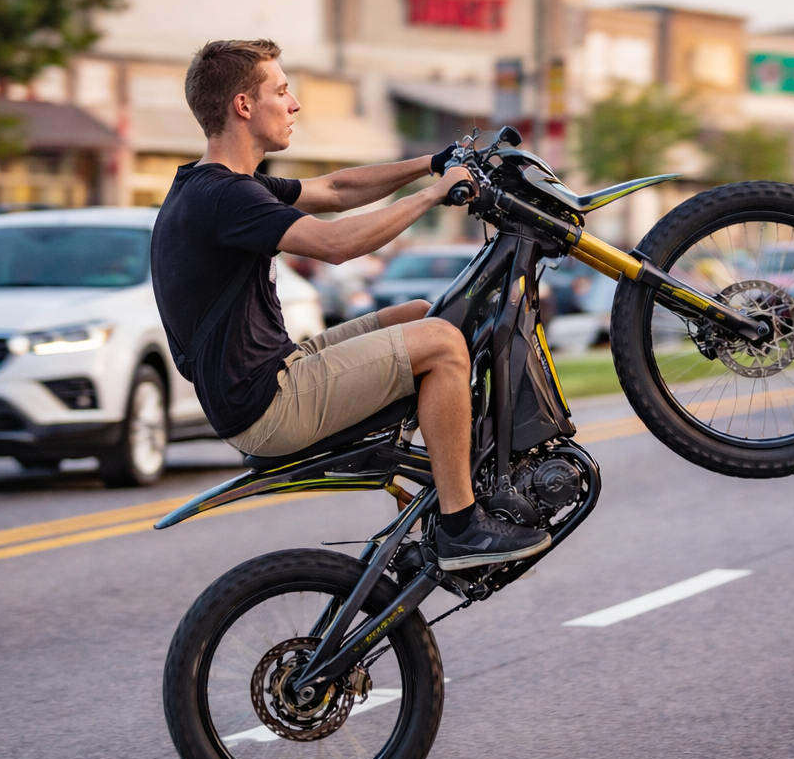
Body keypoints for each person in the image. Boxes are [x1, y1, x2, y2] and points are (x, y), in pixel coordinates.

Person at [150, 38, 549, 571]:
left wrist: (433, 164)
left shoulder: (216, 186)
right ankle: (461, 525)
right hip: (268, 403)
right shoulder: (227, 198)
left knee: (419, 313)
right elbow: (336, 244)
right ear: (243, 106)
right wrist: (435, 194)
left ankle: (451, 465)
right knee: (442, 344)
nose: (293, 105)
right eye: (282, 91)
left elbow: (336, 189)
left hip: (271, 372)